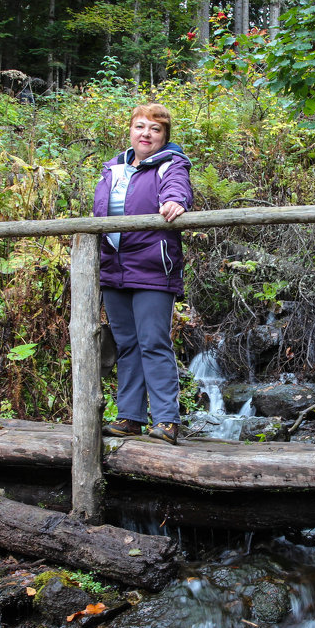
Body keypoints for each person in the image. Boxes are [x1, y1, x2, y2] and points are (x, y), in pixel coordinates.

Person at [93, 103, 193, 445]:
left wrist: (176, 202)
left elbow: (177, 188)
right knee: (127, 345)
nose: (146, 134)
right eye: (140, 127)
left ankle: (166, 420)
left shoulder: (170, 164)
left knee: (153, 342)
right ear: (130, 131)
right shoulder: (112, 169)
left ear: (164, 136)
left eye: (154, 129)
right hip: (114, 268)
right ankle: (130, 417)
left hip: (152, 266)